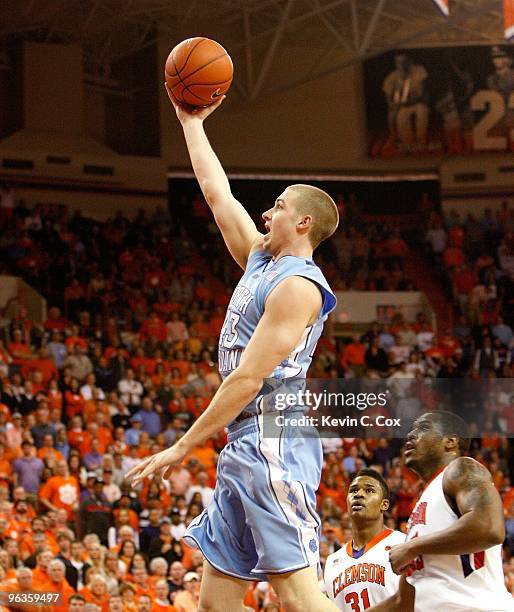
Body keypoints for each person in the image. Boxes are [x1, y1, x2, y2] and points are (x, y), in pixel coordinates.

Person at [127, 86, 339, 611]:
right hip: (244, 439)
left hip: (274, 432)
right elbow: (218, 195)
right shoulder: (260, 261)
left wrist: (182, 446)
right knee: (215, 602)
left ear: (303, 223)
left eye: (279, 207)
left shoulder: (298, 286)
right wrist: (190, 122)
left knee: (295, 592)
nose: (267, 214)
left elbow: (247, 379)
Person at [368, 411, 514, 611]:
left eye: (423, 428)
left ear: (450, 441)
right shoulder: (424, 502)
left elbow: (489, 528)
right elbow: (403, 601)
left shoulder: (462, 468)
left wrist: (412, 547)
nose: (411, 435)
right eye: (411, 430)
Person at [324, 468, 404, 610]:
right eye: (353, 490)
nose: (359, 494)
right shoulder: (332, 561)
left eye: (369, 490)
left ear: (384, 504)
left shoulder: (403, 543)